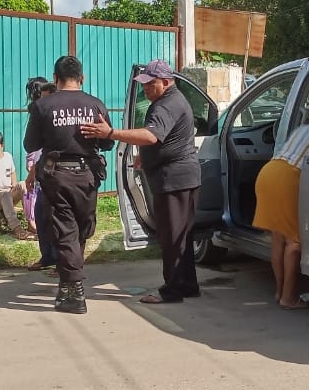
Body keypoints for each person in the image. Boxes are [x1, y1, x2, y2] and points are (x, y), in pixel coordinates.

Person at [81, 59, 200, 305]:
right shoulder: (171, 101)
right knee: (182, 236)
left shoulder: (166, 105)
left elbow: (150, 135)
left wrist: (111, 133)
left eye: (150, 84)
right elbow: (163, 139)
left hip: (173, 178)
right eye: (143, 84)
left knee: (172, 236)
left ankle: (173, 291)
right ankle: (187, 285)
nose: (145, 88)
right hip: (182, 177)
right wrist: (145, 157)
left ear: (165, 82)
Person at [24, 55, 115, 314]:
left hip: (57, 176)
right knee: (79, 230)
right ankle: (69, 285)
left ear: (55, 78)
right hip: (87, 177)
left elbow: (30, 145)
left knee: (67, 231)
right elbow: (108, 142)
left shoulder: (43, 106)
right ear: (82, 78)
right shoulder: (95, 105)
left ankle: (73, 289)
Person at [250, 103, 309, 309]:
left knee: (278, 237)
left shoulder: (305, 127)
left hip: (269, 172)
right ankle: (289, 298)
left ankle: (279, 292)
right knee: (294, 242)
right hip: (288, 176)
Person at [24, 77, 59, 273]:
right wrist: (32, 173)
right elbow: (39, 149)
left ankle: (65, 263)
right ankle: (48, 257)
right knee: (41, 215)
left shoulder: (60, 119)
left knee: (58, 220)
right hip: (44, 172)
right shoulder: (43, 117)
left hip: (62, 177)